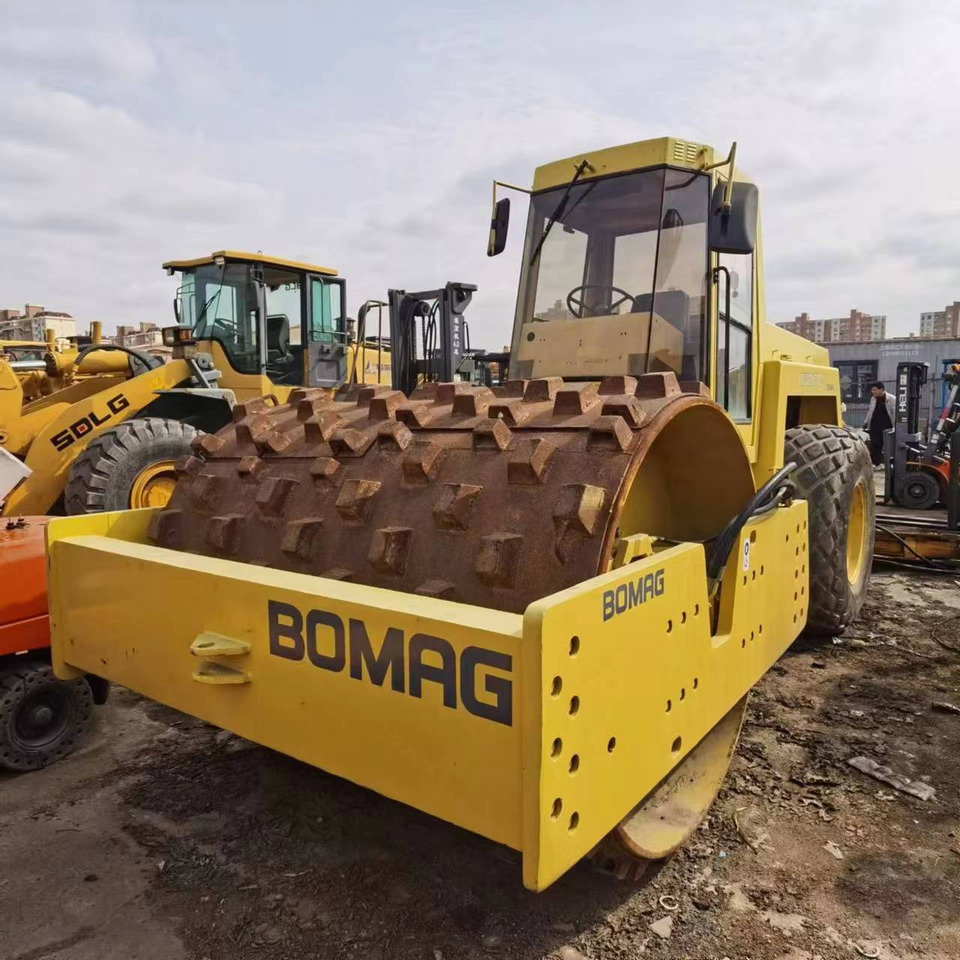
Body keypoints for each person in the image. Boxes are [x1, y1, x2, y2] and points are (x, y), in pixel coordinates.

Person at [862, 381, 894, 467]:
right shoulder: (873, 399)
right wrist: (866, 422)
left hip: (887, 427)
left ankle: (888, 465)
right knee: (875, 446)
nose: (873, 392)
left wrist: (895, 426)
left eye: (875, 390)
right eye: (872, 390)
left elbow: (894, 414)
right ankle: (874, 464)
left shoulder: (891, 399)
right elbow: (870, 411)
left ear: (881, 389)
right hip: (875, 426)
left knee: (888, 446)